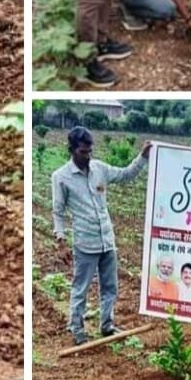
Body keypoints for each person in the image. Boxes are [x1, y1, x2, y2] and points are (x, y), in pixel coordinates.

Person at [52, 126, 151, 345]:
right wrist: (61, 242)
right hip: (85, 243)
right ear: (72, 149)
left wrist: (142, 158)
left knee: (110, 287)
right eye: (82, 152)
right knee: (81, 288)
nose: (87, 156)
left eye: (89, 151)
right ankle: (77, 328)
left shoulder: (99, 169)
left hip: (107, 240)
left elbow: (126, 175)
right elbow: (58, 212)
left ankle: (107, 325)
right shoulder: (61, 177)